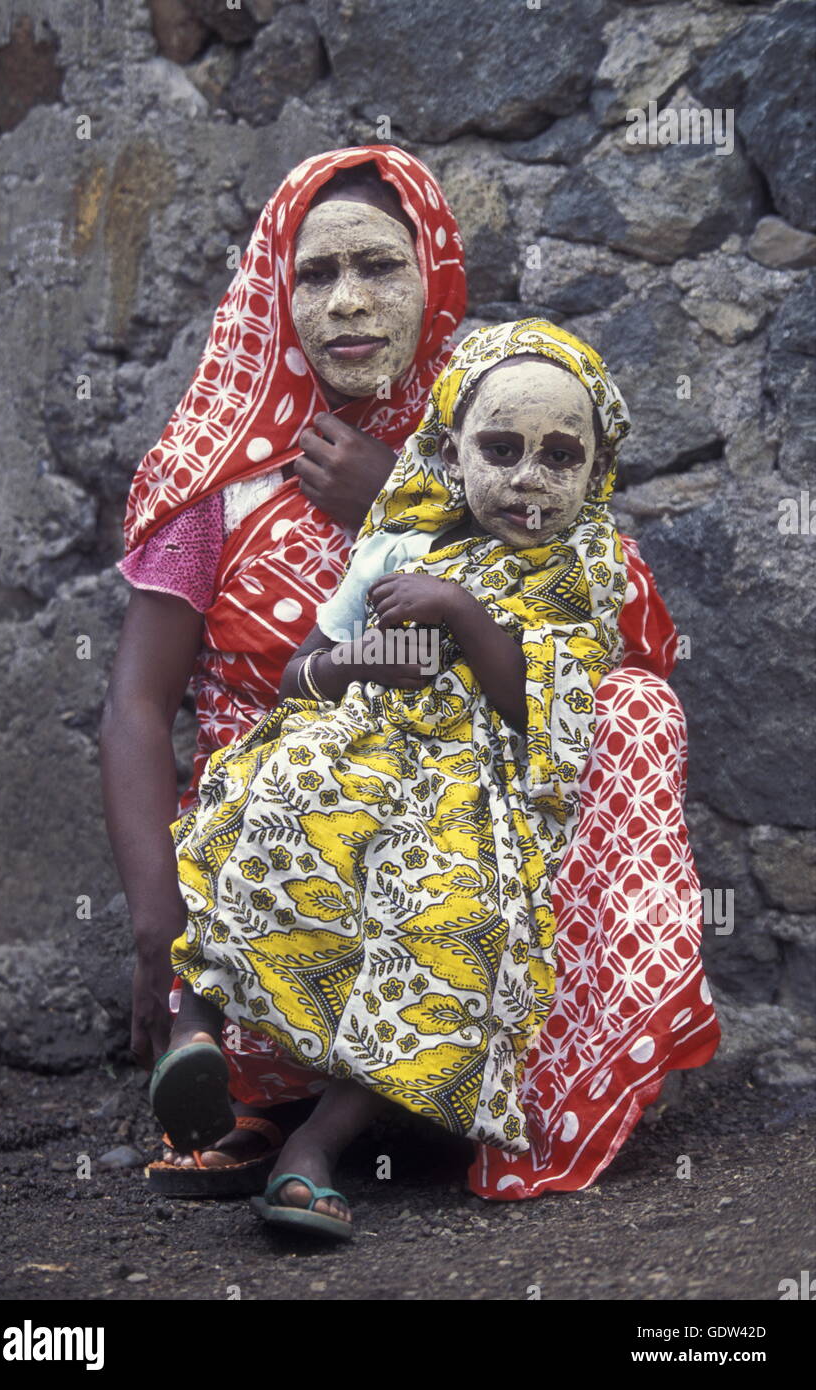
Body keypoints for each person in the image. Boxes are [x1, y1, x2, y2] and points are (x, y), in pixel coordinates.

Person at [149, 319, 721, 1239]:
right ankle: (195, 1041)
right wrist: (359, 665)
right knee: (272, 805)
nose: (528, 479)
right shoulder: (394, 545)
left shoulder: (582, 571)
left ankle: (312, 1153)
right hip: (358, 753)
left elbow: (543, 710)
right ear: (450, 452)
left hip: (474, 791)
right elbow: (300, 673)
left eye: (558, 457)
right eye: (500, 448)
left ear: (594, 473)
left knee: (448, 923)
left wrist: (459, 615)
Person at [100, 146, 467, 1186]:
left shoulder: (493, 441)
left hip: (452, 799)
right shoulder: (218, 481)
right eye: (315, 274)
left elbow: (590, 613)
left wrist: (401, 498)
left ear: (433, 276)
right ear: (276, 288)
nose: (348, 302)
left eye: (380, 268)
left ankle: (427, 1094)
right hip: (270, 814)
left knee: (619, 714)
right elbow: (135, 705)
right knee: (294, 797)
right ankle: (257, 1078)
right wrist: (151, 930)